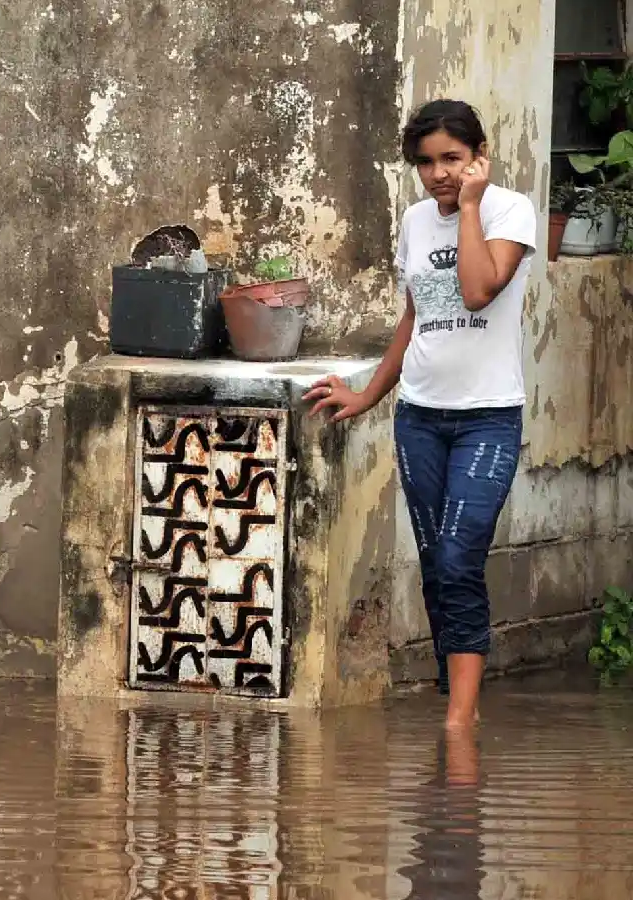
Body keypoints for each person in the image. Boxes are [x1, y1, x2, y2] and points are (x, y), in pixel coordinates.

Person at [303, 99, 537, 730]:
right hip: (421, 417)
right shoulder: (412, 220)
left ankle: (462, 720)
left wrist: (467, 206)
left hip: (488, 416)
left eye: (452, 160)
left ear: (478, 155)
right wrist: (367, 393)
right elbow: (418, 316)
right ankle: (450, 696)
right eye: (428, 163)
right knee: (436, 561)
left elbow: (477, 289)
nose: (439, 174)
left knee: (461, 557)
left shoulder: (509, 210)